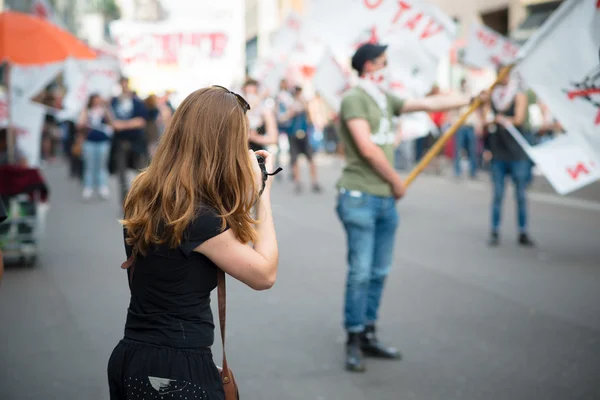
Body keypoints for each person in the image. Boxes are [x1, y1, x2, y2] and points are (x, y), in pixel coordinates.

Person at [107, 86, 279, 400]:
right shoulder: (196, 218)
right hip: (172, 368)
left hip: (135, 356)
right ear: (223, 146)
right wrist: (263, 193)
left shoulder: (149, 193)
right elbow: (264, 274)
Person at [337, 42, 487, 372]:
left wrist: (471, 99)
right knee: (361, 272)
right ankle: (353, 336)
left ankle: (368, 333)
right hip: (359, 197)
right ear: (368, 67)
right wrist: (396, 181)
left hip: (384, 201)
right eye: (383, 62)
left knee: (378, 272)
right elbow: (368, 148)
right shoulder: (354, 99)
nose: (388, 68)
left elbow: (427, 102)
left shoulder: (384, 99)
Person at [483, 69, 534, 247]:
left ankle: (523, 231)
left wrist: (500, 119)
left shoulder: (518, 94)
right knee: (497, 194)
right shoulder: (491, 95)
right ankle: (494, 231)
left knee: (520, 194)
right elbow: (485, 120)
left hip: (516, 152)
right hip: (498, 152)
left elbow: (519, 119)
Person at [110, 76, 149, 207]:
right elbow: (111, 122)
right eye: (122, 84)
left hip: (136, 142)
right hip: (120, 143)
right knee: (121, 176)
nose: (124, 86)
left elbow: (141, 121)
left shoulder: (137, 102)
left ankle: (141, 202)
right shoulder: (114, 102)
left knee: (140, 173)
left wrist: (123, 125)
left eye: (126, 84)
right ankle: (125, 203)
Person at [78, 94, 114, 200]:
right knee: (89, 165)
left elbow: (111, 121)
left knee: (102, 165)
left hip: (102, 141)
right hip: (89, 141)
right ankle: (88, 187)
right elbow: (80, 124)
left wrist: (105, 108)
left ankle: (102, 186)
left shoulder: (104, 110)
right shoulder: (87, 111)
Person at [288, 86, 322, 193]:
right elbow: (284, 117)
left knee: (311, 158)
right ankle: (297, 182)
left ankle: (314, 181)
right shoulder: (290, 103)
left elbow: (311, 117)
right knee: (295, 159)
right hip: (293, 134)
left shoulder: (305, 103)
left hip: (305, 134)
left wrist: (305, 104)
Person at [241, 79, 278, 152]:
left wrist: (253, 137)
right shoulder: (240, 112)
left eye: (252, 93)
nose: (250, 97)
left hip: (258, 153)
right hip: (242, 154)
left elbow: (273, 138)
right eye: (247, 93)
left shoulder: (265, 112)